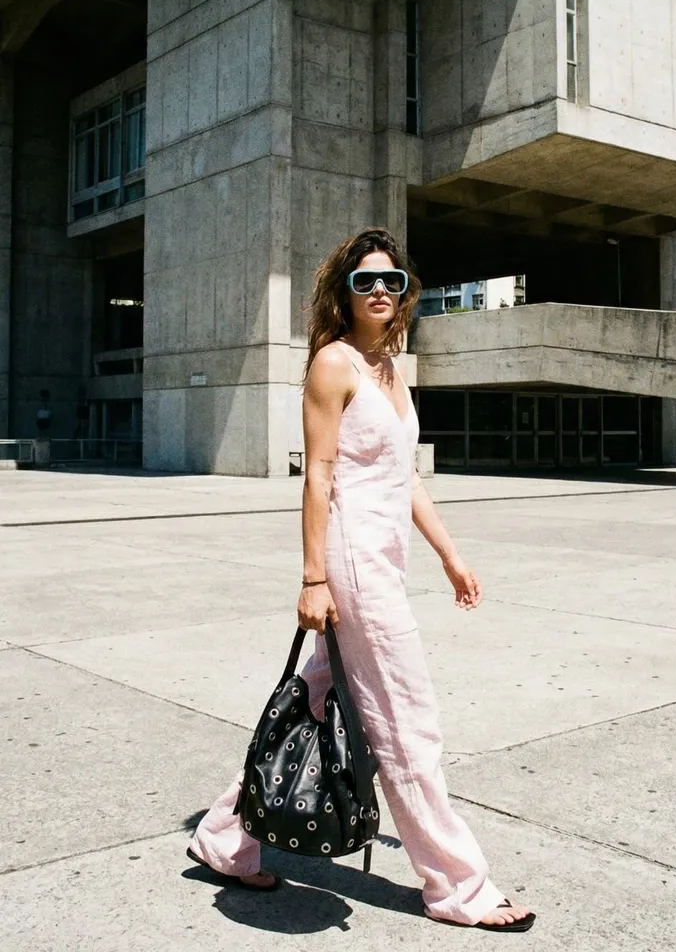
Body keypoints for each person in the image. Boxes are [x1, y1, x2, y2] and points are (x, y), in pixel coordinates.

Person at [188, 228, 535, 933]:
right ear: (343, 293)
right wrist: (314, 578)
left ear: (406, 294)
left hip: (386, 559)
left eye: (393, 282)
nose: (381, 291)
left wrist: (449, 554)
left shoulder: (390, 370)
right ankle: (457, 886)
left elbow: (404, 477)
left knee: (313, 701)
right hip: (350, 565)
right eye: (365, 282)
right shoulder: (333, 365)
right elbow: (318, 476)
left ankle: (224, 838)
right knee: (407, 722)